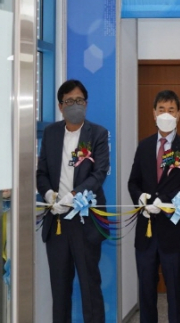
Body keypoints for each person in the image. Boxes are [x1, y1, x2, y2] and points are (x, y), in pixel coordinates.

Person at [37, 79, 109, 323]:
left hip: (85, 221)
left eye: (79, 100)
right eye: (69, 101)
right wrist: (49, 194)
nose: (74, 105)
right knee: (59, 289)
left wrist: (73, 195)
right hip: (57, 222)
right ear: (60, 106)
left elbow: (99, 174)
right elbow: (41, 173)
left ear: (86, 104)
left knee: (90, 287)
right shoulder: (51, 133)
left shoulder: (97, 134)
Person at [128, 90, 180, 323]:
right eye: (161, 110)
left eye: (171, 110)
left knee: (175, 292)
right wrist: (141, 198)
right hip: (145, 232)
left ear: (179, 114)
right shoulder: (144, 146)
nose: (166, 114)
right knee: (146, 292)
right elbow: (133, 182)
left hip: (172, 232)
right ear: (153, 113)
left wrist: (164, 201)